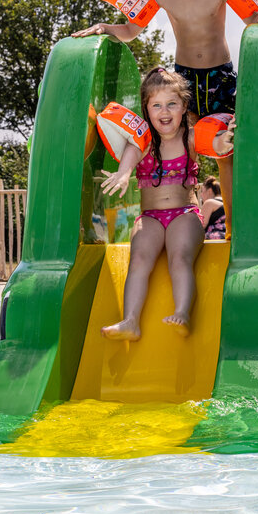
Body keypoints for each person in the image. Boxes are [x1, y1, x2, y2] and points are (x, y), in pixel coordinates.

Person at [72, 0, 258, 234]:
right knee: (178, 143)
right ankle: (178, 216)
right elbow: (132, 32)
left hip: (220, 78)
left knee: (226, 152)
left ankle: (233, 227)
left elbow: (250, 17)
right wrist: (105, 27)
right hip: (184, 79)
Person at [99, 68, 205, 341]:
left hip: (184, 213)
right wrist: (122, 175)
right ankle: (130, 321)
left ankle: (182, 311)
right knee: (139, 258)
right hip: (151, 218)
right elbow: (128, 161)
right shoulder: (142, 143)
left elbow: (215, 143)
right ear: (147, 109)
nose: (164, 111)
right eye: (156, 105)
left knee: (180, 256)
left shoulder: (190, 138)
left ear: (183, 106)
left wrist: (225, 138)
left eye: (172, 103)